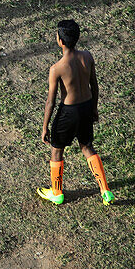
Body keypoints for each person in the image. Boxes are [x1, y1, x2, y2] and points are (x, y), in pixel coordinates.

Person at [37, 19, 113, 207]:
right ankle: (105, 190)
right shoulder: (87, 56)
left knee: (57, 149)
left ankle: (57, 193)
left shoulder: (57, 68)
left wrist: (45, 127)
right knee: (87, 147)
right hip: (86, 106)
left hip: (68, 112)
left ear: (60, 41)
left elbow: (50, 101)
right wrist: (94, 108)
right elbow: (94, 86)